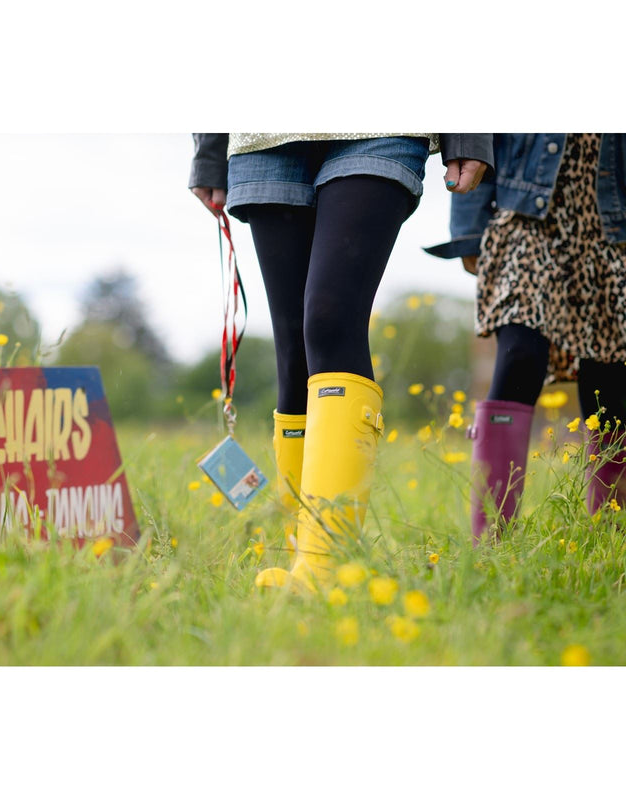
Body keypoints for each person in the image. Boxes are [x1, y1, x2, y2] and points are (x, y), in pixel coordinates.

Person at [189, 133, 493, 590]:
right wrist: (210, 152)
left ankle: (323, 569)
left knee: (330, 319)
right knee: (293, 350)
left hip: (376, 127)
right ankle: (302, 554)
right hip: (265, 135)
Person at [425, 134, 626, 544]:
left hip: (612, 227)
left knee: (611, 376)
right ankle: (492, 543)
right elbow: (477, 129)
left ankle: (610, 538)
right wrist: (468, 229)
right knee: (520, 353)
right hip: (524, 219)